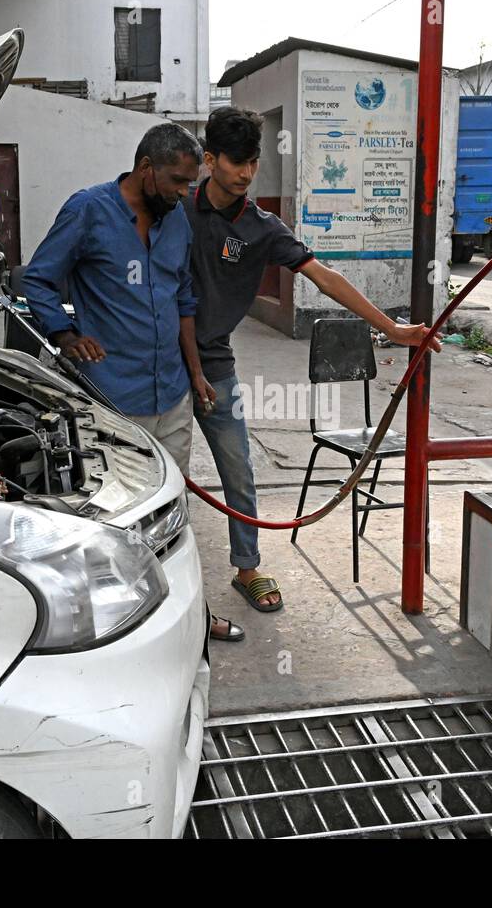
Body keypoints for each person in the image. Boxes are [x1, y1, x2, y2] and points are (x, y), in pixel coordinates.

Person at [180, 106, 441, 613]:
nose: (247, 173)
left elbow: (325, 277)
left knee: (238, 467)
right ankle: (158, 578)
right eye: (236, 162)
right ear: (209, 160)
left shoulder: (263, 228)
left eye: (254, 162)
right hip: (160, 364)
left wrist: (390, 327)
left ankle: (247, 568)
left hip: (214, 365)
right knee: (160, 473)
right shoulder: (177, 210)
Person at [21, 122, 245, 642]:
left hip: (172, 394)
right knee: (114, 517)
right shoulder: (88, 210)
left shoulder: (176, 222)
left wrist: (195, 374)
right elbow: (37, 278)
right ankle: (120, 626)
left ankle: (189, 614)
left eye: (191, 183)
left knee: (172, 512)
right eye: (176, 181)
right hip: (111, 398)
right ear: (146, 169)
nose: (184, 192)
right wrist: (64, 333)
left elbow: (183, 300)